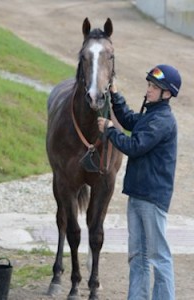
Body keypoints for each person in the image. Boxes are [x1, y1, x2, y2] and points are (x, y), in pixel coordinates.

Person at [97, 64, 182, 300]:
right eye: (149, 85)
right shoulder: (151, 116)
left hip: (152, 199)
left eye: (155, 87)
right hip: (137, 195)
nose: (149, 90)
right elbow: (129, 119)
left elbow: (135, 147)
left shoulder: (162, 121)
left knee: (158, 257)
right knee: (138, 256)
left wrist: (111, 130)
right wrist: (115, 95)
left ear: (168, 93)